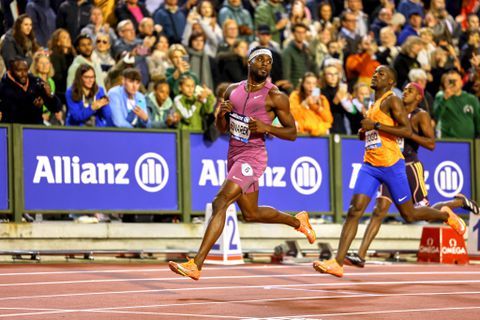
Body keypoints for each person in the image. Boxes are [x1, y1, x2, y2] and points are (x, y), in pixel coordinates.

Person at [168, 47, 316, 280]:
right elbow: (222, 129)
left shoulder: (275, 96)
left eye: (269, 61)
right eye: (261, 60)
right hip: (234, 154)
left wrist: (267, 127)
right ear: (249, 62)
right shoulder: (231, 90)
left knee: (220, 202)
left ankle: (196, 263)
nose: (265, 64)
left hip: (254, 156)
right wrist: (219, 116)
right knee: (251, 213)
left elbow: (292, 133)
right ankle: (298, 221)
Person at [312, 65, 467, 278]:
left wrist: (375, 124)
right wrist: (365, 132)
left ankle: (445, 214)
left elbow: (405, 130)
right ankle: (338, 262)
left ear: (391, 82)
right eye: (375, 72)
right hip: (370, 166)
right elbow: (375, 132)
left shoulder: (392, 100)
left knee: (409, 214)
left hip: (392, 166)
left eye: (381, 73)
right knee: (354, 210)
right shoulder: (373, 103)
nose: (375, 75)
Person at [344, 82, 480, 268]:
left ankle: (457, 203)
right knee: (379, 210)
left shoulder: (420, 116)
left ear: (418, 97)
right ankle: (361, 255)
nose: (405, 93)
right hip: (389, 165)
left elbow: (431, 144)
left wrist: (408, 134)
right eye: (404, 89)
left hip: (410, 166)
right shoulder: (393, 109)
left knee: (423, 214)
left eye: (410, 91)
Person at [0, 57, 62, 124]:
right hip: (13, 130)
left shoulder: (36, 83)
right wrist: (32, 106)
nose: (23, 74)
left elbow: (56, 108)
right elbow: (13, 110)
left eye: (25, 70)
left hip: (34, 130)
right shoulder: (3, 86)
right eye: (19, 71)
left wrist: (50, 95)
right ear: (10, 71)